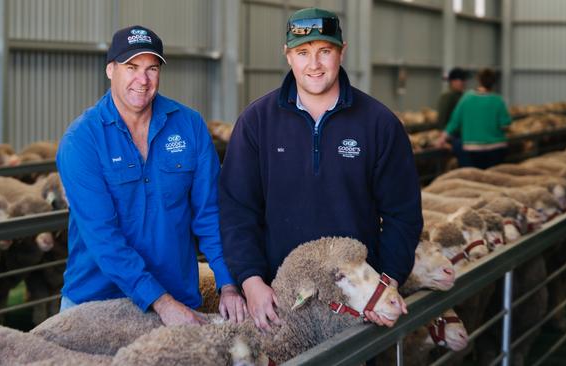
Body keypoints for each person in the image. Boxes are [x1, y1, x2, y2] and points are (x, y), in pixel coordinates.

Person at [219, 8, 422, 331]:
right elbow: (237, 210)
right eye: (303, 53)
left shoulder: (379, 124)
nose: (314, 64)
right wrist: (251, 280)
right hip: (279, 299)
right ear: (287, 56)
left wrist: (383, 283)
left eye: (324, 51)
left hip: (355, 301)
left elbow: (403, 214)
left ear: (342, 52)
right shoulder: (257, 122)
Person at [56, 25, 246, 325]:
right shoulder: (82, 139)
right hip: (94, 307)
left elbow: (210, 213)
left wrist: (228, 284)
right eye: (131, 67)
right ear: (110, 70)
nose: (142, 80)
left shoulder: (190, 126)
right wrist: (161, 302)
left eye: (152, 68)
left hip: (178, 299)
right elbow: (103, 237)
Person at [437, 68, 511, 169]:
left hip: (472, 149)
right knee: (492, 179)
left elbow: (454, 122)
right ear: (494, 82)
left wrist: (442, 138)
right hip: (496, 149)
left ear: (479, 81)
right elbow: (505, 125)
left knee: (474, 179)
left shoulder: (467, 98)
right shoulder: (498, 100)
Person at [437, 67, 469, 166]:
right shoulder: (448, 97)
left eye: (464, 80)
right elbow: (442, 118)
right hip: (453, 137)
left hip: (465, 135)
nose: (463, 83)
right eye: (461, 80)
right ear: (453, 81)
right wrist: (443, 137)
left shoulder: (465, 96)